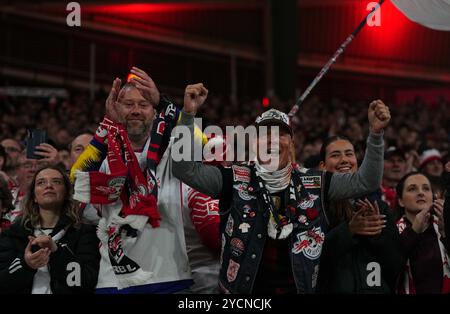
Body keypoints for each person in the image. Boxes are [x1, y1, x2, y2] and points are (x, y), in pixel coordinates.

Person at [172, 83, 390, 294]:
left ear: (292, 143)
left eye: (281, 134)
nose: (273, 140)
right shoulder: (234, 179)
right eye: (265, 134)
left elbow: (366, 182)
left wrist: (376, 135)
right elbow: (184, 171)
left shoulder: (315, 183)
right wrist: (188, 116)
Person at [71, 67, 193, 293]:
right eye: (128, 104)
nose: (136, 110)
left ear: (154, 113)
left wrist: (164, 102)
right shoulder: (104, 157)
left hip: (168, 276)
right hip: (114, 281)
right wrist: (107, 125)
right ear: (116, 108)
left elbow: (202, 140)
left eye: (144, 104)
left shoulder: (172, 153)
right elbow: (76, 177)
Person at [316, 136, 402, 293]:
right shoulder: (313, 208)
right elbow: (312, 261)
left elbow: (396, 266)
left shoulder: (378, 208)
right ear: (322, 166)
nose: (344, 160)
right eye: (335, 155)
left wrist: (377, 236)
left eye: (349, 154)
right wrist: (348, 231)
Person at [0, 165, 100, 293]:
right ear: (34, 197)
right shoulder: (14, 233)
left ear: (66, 193)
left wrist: (56, 252)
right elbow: (3, 284)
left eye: (56, 182)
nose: (48, 186)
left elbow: (87, 281)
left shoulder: (83, 232)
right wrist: (27, 264)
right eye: (41, 182)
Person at [395, 172, 450, 294]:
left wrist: (446, 234)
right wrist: (413, 232)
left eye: (426, 188)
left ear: (433, 197)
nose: (421, 193)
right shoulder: (392, 232)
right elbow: (389, 266)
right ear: (400, 201)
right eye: (412, 189)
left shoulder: (444, 227)